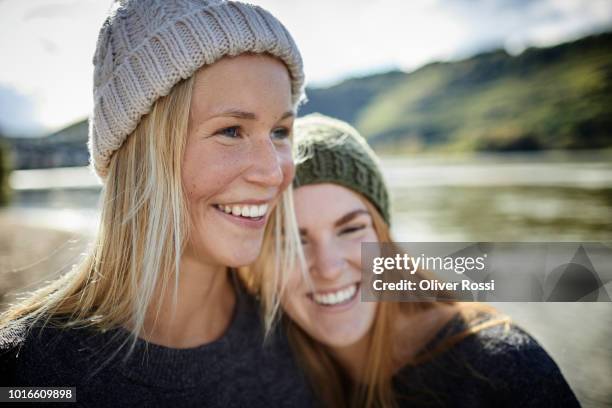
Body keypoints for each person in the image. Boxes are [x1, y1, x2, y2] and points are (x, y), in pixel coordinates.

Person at [0, 1, 313, 406]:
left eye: (280, 131)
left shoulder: (300, 336)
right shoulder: (29, 373)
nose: (273, 173)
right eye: (232, 130)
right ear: (142, 153)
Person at [264, 113, 580, 407]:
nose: (329, 268)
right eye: (292, 240)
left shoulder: (500, 368)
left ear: (384, 238)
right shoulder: (264, 363)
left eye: (351, 229)